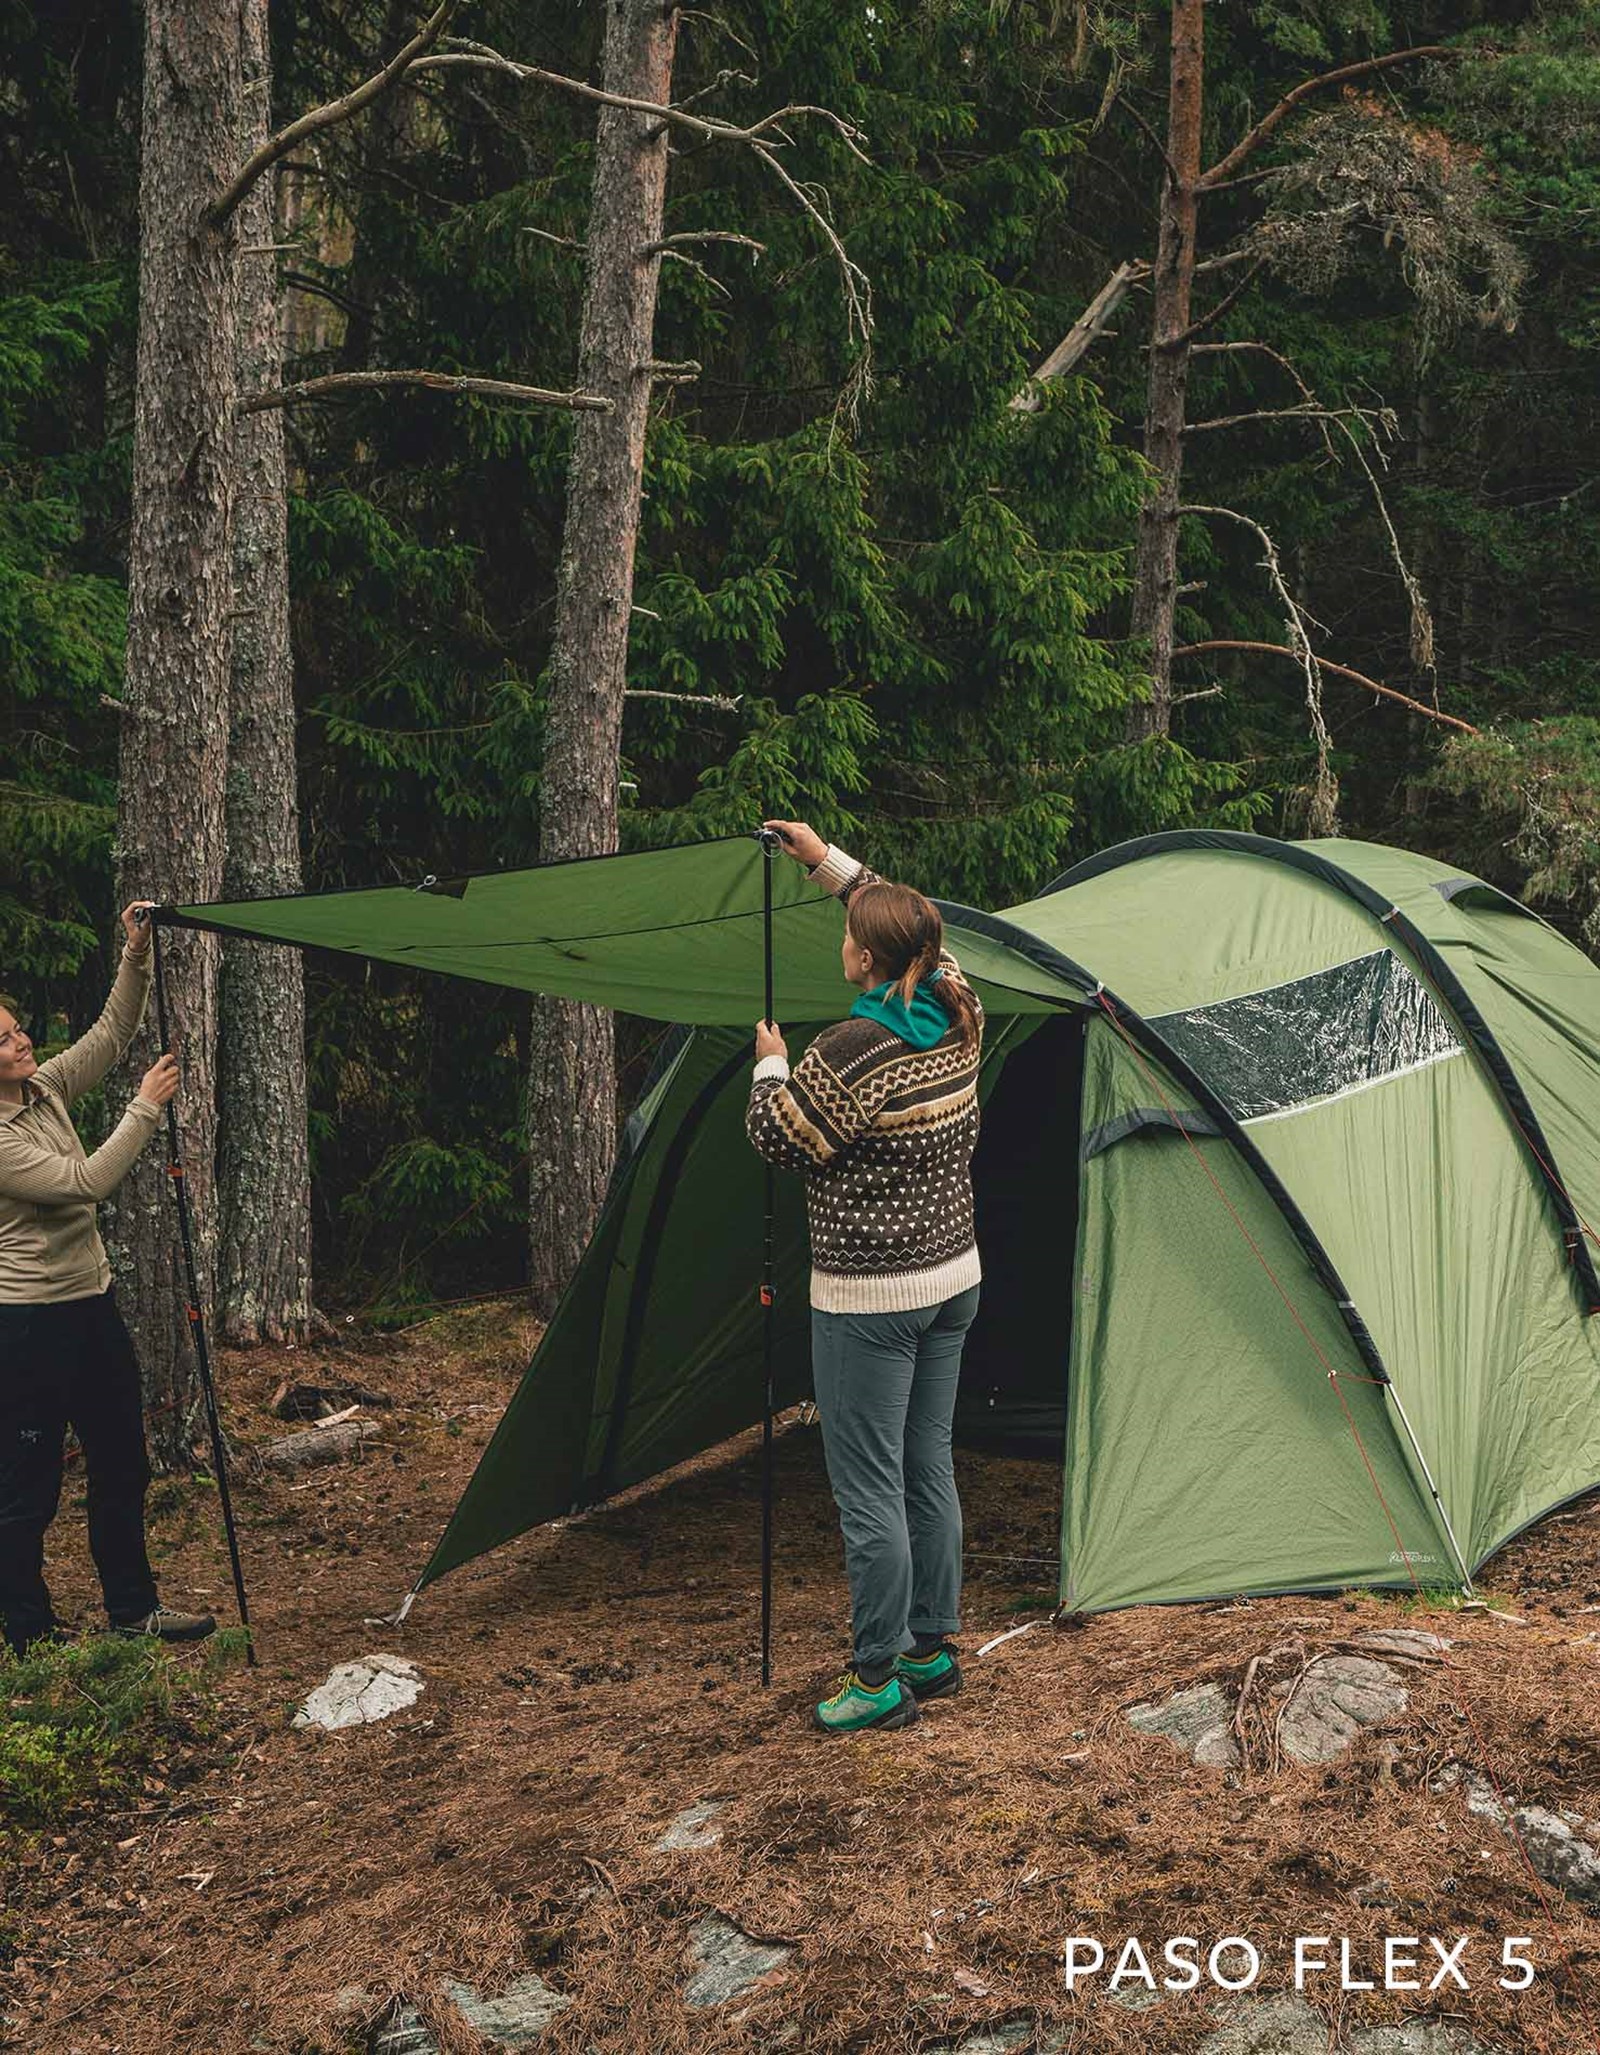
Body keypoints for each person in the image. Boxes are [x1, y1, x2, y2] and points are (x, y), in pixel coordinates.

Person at [746, 821, 983, 1734]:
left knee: (869, 1484)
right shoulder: (960, 1003)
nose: (840, 940)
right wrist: (825, 861)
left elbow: (783, 1136)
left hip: (872, 1301)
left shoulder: (850, 1048)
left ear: (869, 959)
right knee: (927, 1461)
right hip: (953, 1280)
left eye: (849, 932)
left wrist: (770, 1063)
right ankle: (932, 1648)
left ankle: (879, 1676)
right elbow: (925, 927)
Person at [0, 903, 215, 1655]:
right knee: (28, 1489)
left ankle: (134, 1609)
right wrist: (146, 1109)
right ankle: (28, 1637)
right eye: (4, 1038)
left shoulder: (43, 1088)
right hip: (28, 1324)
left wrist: (135, 954)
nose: (22, 1039)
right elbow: (87, 1179)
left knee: (122, 1456)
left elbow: (110, 1034)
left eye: (18, 1027)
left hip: (92, 1307)